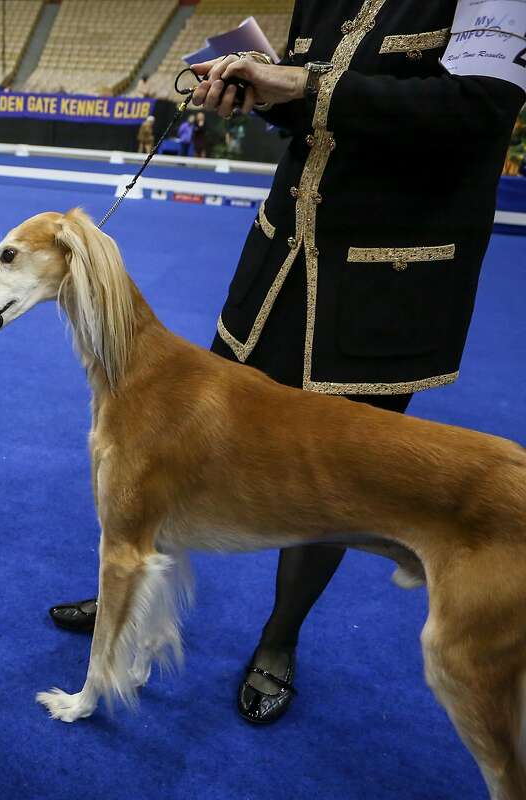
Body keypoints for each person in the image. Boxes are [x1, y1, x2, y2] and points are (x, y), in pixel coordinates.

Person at [47, 0, 523, 727]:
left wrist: (306, 86)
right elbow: (311, 115)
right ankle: (129, 577)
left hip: (383, 280)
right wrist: (265, 94)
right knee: (168, 449)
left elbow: (478, 112)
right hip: (276, 267)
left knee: (334, 482)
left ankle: (279, 639)